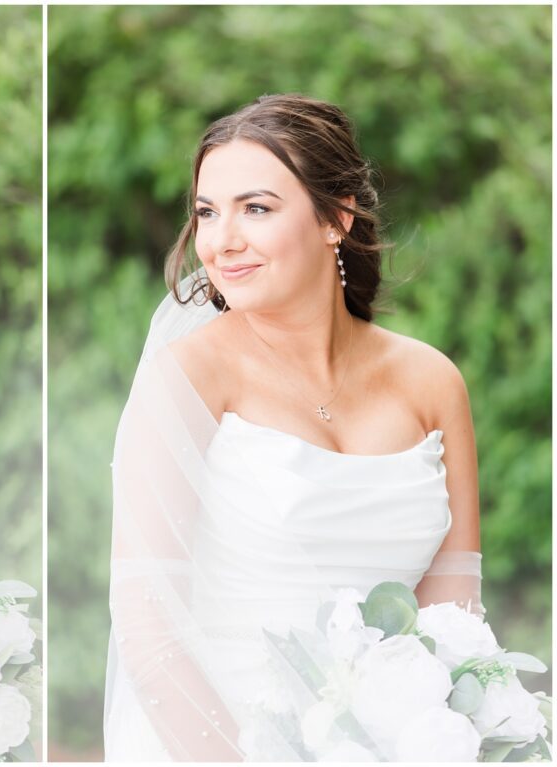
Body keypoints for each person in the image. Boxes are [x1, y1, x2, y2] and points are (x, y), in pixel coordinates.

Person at [103, 94, 483, 761]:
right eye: (206, 213)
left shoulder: (432, 383)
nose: (221, 241)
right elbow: (148, 630)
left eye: (255, 208)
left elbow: (455, 619)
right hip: (215, 742)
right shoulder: (187, 378)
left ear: (335, 217)